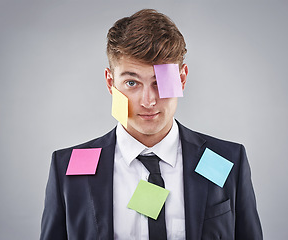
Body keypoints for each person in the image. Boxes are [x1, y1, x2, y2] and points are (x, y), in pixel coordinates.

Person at [40, 9, 262, 240]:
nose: (148, 101)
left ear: (182, 79)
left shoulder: (228, 160)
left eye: (160, 82)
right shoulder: (67, 169)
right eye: (131, 82)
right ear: (110, 82)